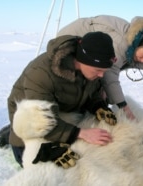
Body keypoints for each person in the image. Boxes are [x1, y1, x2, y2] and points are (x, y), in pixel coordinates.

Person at [7, 31, 117, 167]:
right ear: (83, 60)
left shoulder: (89, 71)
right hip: (32, 122)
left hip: (61, 114)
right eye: (98, 70)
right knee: (43, 165)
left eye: (104, 71)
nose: (101, 75)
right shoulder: (41, 74)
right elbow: (39, 122)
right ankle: (10, 134)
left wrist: (98, 105)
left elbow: (90, 91)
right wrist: (81, 133)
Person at [57, 15, 143, 120]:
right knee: (78, 82)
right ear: (142, 44)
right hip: (68, 43)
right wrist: (124, 107)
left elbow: (106, 74)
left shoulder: (134, 44)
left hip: (88, 52)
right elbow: (110, 74)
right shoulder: (122, 42)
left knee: (100, 85)